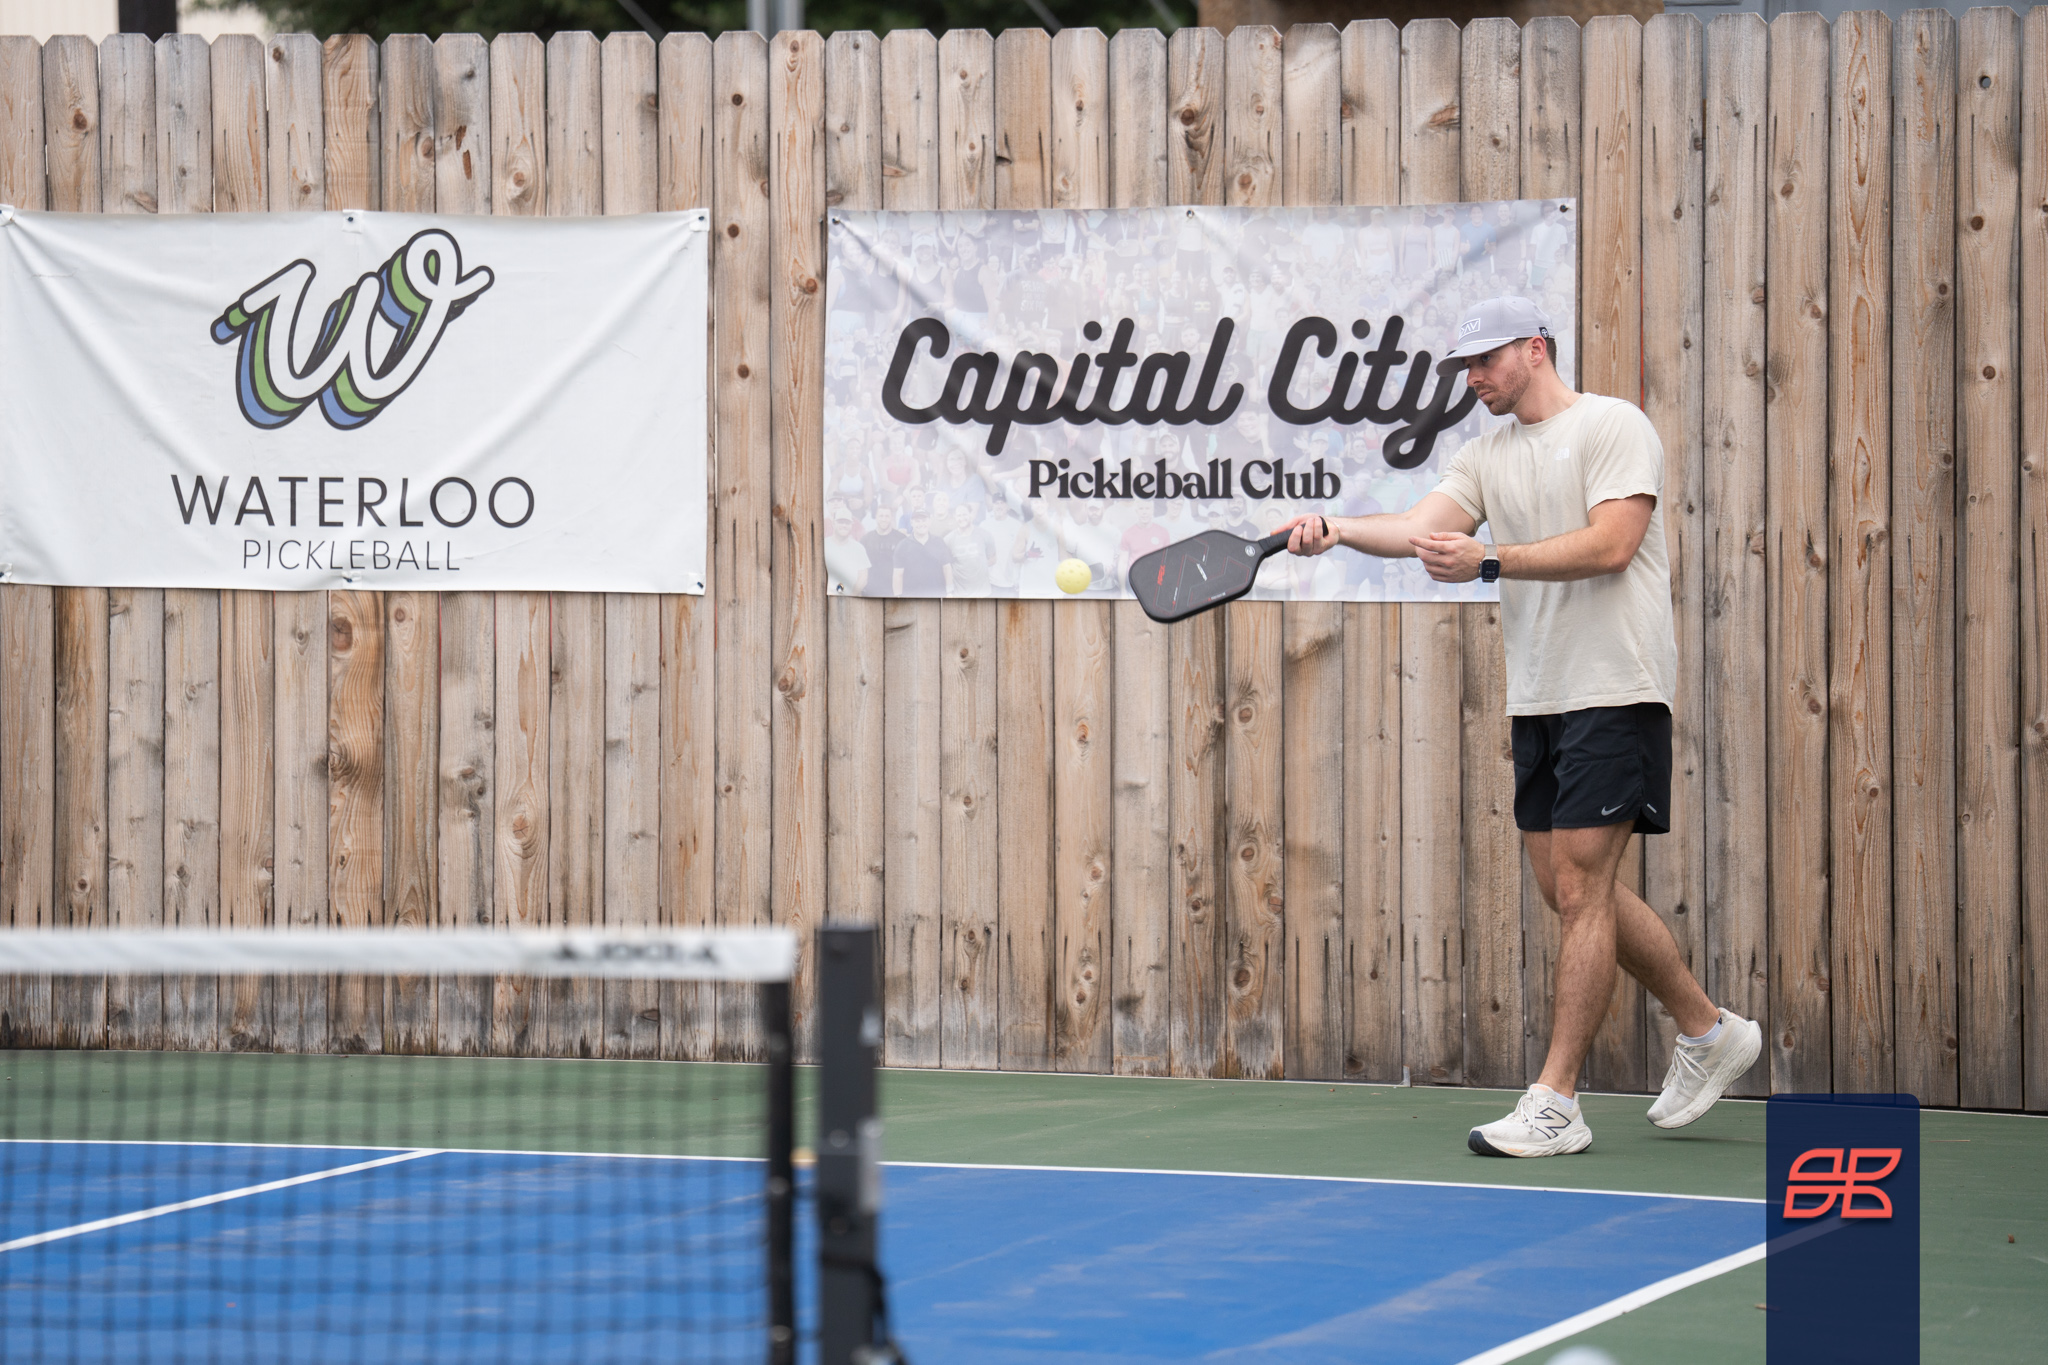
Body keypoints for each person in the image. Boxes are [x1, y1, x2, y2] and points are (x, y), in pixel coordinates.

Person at [1280, 295, 1763, 1158]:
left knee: (1580, 889)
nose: (1473, 378)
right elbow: (1422, 528)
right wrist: (1337, 530)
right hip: (1540, 695)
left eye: (1486, 360)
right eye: (1465, 366)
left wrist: (1491, 557)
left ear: (1535, 349)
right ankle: (1708, 1029)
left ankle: (1556, 1101)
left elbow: (1614, 544)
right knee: (1570, 889)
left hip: (1616, 684)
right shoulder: (1486, 455)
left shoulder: (1613, 426)